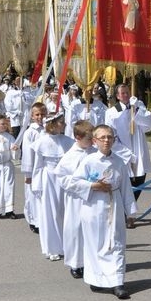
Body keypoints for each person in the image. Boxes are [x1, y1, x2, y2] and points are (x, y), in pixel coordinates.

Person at [70, 124, 137, 299]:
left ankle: (117, 282)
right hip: (94, 207)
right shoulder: (89, 161)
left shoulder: (119, 162)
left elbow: (126, 187)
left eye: (110, 137)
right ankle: (96, 278)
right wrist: (93, 185)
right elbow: (74, 183)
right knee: (95, 244)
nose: (106, 140)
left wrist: (130, 212)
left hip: (114, 205)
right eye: (102, 137)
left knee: (116, 243)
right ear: (95, 141)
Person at [56, 120, 96, 279]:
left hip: (94, 197)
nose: (92, 142)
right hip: (76, 198)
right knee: (75, 229)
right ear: (78, 137)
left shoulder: (94, 153)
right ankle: (76, 263)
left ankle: (91, 262)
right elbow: (62, 178)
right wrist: (84, 185)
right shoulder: (70, 156)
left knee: (92, 229)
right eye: (89, 139)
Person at [31, 112, 72, 261]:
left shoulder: (68, 141)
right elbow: (38, 166)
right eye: (61, 122)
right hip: (49, 179)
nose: (64, 124)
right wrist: (36, 185)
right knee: (51, 213)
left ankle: (67, 246)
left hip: (64, 179)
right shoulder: (42, 142)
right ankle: (52, 247)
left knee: (65, 212)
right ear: (52, 125)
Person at [104, 83, 151, 201]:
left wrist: (136, 109)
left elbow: (148, 125)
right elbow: (111, 137)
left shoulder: (138, 105)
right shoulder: (111, 112)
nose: (126, 95)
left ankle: (132, 207)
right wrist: (127, 155)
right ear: (117, 96)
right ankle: (125, 209)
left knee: (139, 182)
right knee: (125, 187)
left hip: (139, 150)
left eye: (127, 92)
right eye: (123, 93)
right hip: (123, 154)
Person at [15, 103, 47, 233]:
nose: (40, 117)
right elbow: (27, 154)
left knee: (43, 196)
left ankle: (43, 220)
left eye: (43, 114)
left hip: (45, 168)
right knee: (33, 196)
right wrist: (28, 174)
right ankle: (34, 220)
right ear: (32, 116)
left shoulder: (47, 130)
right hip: (34, 168)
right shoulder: (30, 132)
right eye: (37, 114)